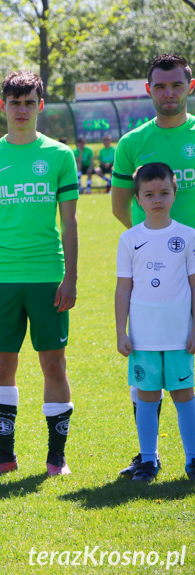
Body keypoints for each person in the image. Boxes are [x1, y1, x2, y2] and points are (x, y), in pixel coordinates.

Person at [0, 70, 79, 477]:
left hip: (49, 275)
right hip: (2, 278)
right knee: (2, 366)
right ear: (3, 106)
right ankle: (4, 456)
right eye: (14, 102)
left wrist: (71, 278)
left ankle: (56, 458)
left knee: (54, 364)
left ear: (41, 106)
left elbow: (70, 222)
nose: (21, 110)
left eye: (29, 102)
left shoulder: (59, 155)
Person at [111, 53, 195, 476]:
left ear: (190, 87)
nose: (168, 93)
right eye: (160, 86)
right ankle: (149, 455)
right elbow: (119, 204)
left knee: (186, 365)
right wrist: (151, 247)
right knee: (149, 367)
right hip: (160, 279)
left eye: (176, 85)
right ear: (149, 90)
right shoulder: (132, 144)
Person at [115, 162, 195, 482]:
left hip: (179, 335)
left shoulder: (188, 236)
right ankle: (149, 461)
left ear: (175, 194)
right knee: (147, 395)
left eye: (164, 192)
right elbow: (123, 288)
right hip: (144, 336)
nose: (157, 199)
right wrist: (121, 331)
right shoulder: (129, 239)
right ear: (138, 199)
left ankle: (192, 459)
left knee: (185, 394)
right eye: (149, 194)